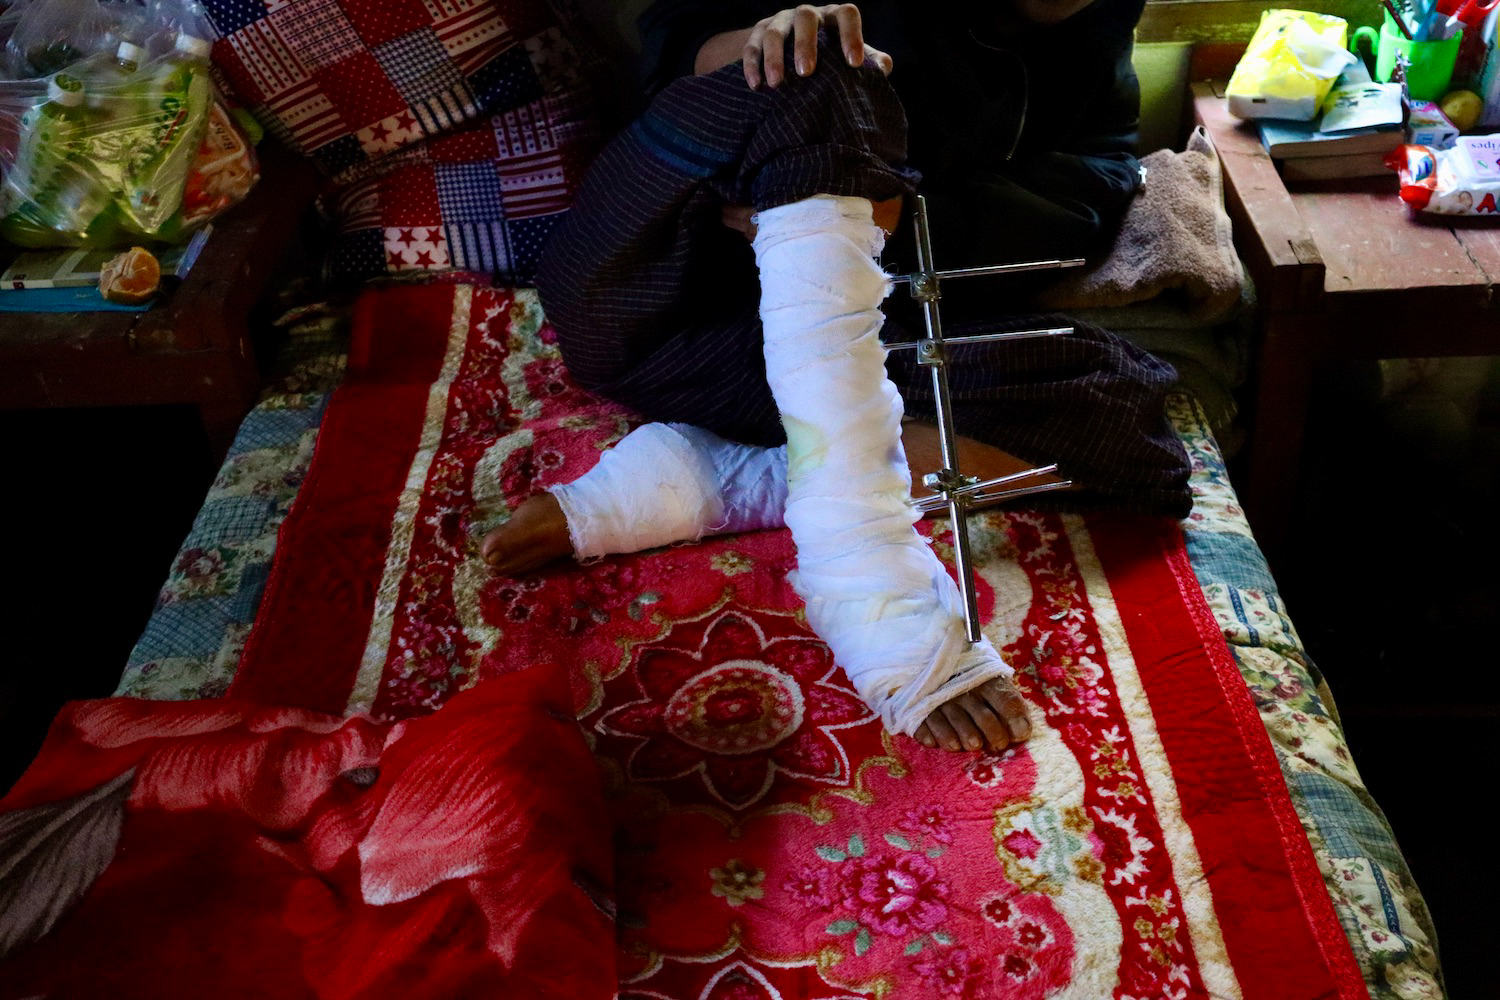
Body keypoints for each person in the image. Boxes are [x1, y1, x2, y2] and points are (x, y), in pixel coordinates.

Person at [482, 1, 1190, 756]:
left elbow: (1098, 179)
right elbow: (673, 52)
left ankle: (730, 479)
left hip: (805, 343)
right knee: (826, 74)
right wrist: (765, 50)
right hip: (649, 293)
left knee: (1122, 415)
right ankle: (864, 571)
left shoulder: (1101, 28)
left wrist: (898, 216)